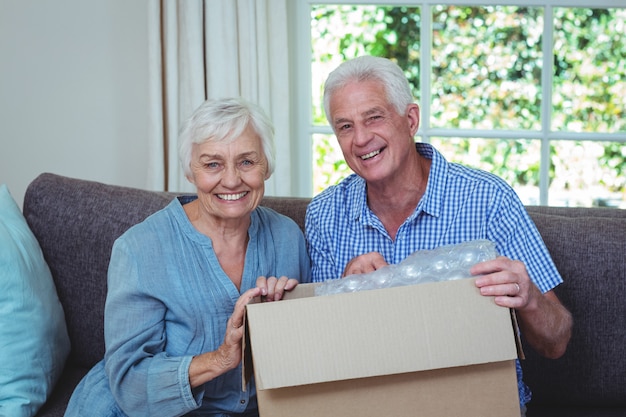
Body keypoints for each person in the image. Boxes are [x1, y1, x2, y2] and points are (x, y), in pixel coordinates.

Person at [304, 55, 572, 414]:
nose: (362, 138)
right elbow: (318, 358)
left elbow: (557, 342)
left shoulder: (488, 198)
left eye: (374, 117)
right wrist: (344, 295)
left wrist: (529, 299)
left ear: (411, 119)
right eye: (345, 126)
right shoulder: (324, 215)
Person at [66, 97, 311, 417]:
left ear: (266, 165)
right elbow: (128, 385)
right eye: (213, 164)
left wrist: (288, 319)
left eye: (247, 162)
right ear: (190, 172)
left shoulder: (287, 237)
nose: (232, 179)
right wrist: (222, 358)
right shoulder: (140, 249)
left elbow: (309, 350)